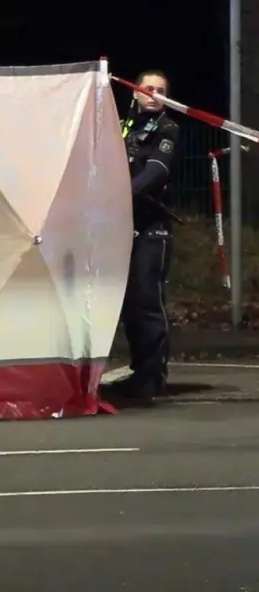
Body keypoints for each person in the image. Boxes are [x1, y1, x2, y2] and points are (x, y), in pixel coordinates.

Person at [104, 69, 180, 401]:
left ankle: (153, 376)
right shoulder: (120, 125)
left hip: (152, 226)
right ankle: (138, 371)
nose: (153, 93)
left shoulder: (167, 128)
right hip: (121, 224)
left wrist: (119, 194)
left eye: (160, 90)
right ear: (134, 91)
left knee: (147, 299)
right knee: (129, 303)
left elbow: (156, 172)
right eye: (147, 87)